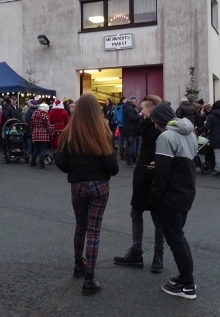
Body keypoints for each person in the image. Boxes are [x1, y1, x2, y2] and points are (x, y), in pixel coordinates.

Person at [55, 93, 119, 296]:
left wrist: (74, 172)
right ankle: (89, 279)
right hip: (99, 186)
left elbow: (61, 161)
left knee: (80, 226)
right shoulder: (104, 132)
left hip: (78, 185)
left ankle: (78, 264)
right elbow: (112, 167)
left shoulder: (69, 132)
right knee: (94, 231)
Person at [149, 102, 198, 299]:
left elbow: (162, 173)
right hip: (186, 190)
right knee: (178, 235)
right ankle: (185, 277)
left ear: (159, 120)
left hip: (171, 194)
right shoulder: (189, 133)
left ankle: (188, 284)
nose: (153, 125)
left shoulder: (165, 136)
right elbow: (185, 163)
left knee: (176, 238)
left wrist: (154, 197)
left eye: (153, 121)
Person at [114, 95, 165, 273]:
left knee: (156, 216)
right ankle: (138, 252)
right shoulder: (147, 125)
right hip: (142, 173)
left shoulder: (160, 128)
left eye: (143, 108)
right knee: (138, 211)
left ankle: (157, 254)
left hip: (154, 174)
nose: (140, 111)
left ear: (150, 110)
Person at [203, 101, 220, 178]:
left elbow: (207, 127)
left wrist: (200, 129)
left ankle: (219, 171)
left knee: (217, 155)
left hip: (215, 137)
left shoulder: (211, 116)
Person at [30, 102, 51, 169]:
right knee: (43, 149)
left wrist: (33, 131)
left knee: (36, 148)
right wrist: (50, 132)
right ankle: (41, 164)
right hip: (44, 133)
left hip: (35, 132)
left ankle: (32, 162)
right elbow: (48, 125)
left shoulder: (34, 113)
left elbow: (31, 124)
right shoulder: (45, 115)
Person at [123, 96, 142, 166]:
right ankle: (130, 161)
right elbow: (132, 117)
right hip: (132, 130)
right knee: (132, 146)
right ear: (134, 101)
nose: (138, 103)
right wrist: (140, 115)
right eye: (137, 101)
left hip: (129, 130)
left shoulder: (127, 107)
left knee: (130, 145)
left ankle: (131, 160)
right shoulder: (130, 108)